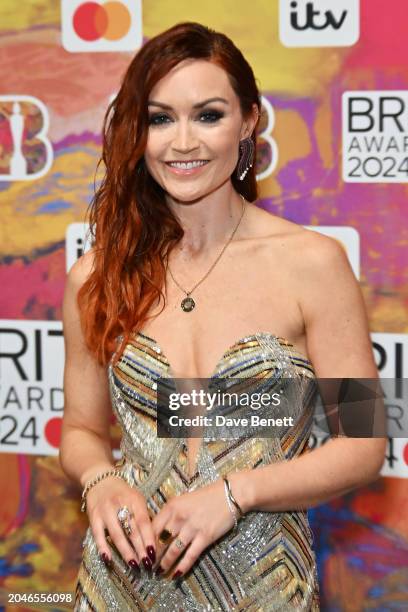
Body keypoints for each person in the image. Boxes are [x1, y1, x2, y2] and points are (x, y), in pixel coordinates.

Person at [59, 21, 386, 611]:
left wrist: (237, 493)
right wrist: (100, 481)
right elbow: (81, 431)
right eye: (160, 118)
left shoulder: (314, 263)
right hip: (121, 586)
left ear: (249, 122)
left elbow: (363, 442)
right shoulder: (96, 275)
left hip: (263, 588)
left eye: (208, 114)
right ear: (138, 131)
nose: (183, 142)